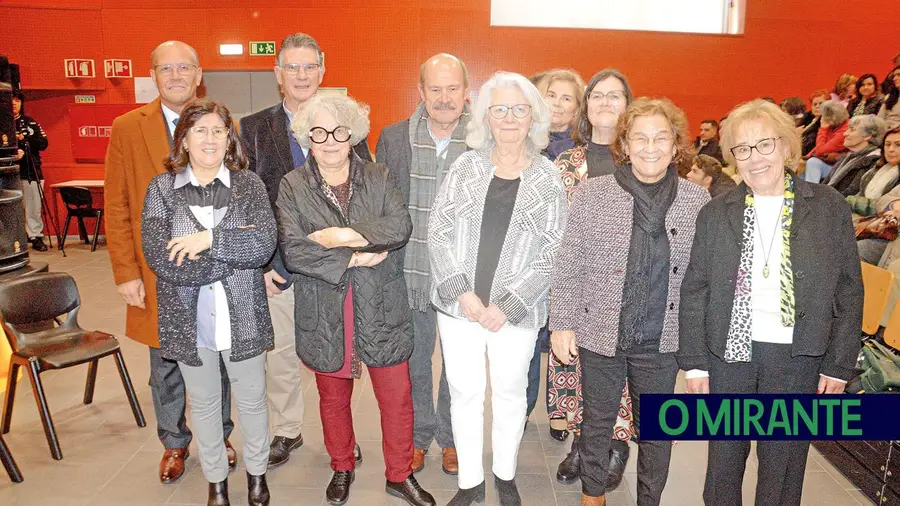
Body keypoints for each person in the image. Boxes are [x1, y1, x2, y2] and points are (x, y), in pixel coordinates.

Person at [678, 98, 863, 506]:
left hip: (798, 358)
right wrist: (695, 363)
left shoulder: (827, 207)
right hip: (730, 356)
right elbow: (695, 289)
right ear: (733, 158)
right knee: (724, 464)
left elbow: (849, 289)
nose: (755, 158)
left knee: (783, 466)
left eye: (765, 145)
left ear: (785, 146)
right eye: (743, 149)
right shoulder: (715, 213)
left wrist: (838, 364)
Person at [276, 93, 434, 506]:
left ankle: (399, 474)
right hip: (325, 305)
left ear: (353, 135)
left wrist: (342, 236)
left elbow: (399, 226)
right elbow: (294, 250)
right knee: (333, 398)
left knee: (396, 397)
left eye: (339, 131)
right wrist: (354, 258)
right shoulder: (293, 185)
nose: (330, 141)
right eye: (319, 132)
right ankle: (342, 465)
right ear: (307, 137)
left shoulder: (379, 176)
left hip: (380, 301)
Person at [550, 97, 708, 506]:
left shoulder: (697, 201)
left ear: (675, 145)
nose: (650, 147)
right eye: (640, 138)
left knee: (657, 434)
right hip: (600, 332)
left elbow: (703, 280)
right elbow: (569, 262)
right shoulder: (593, 194)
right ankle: (593, 496)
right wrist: (562, 323)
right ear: (625, 144)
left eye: (661, 137)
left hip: (662, 341)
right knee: (596, 423)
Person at [428, 71, 565, 506]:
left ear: (533, 117)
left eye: (519, 109)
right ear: (486, 117)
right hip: (460, 308)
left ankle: (505, 474)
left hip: (516, 313)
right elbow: (438, 231)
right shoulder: (465, 166)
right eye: (500, 109)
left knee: (510, 394)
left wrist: (507, 304)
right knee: (464, 394)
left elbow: (553, 250)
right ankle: (470, 481)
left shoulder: (548, 178)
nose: (509, 118)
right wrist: (463, 293)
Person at [105, 40, 237, 485]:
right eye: (166, 68)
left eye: (185, 67)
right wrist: (126, 272)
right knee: (164, 363)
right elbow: (117, 204)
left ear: (199, 74)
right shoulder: (127, 127)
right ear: (153, 75)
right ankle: (174, 443)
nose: (176, 75)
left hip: (213, 266)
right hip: (155, 270)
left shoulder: (221, 124)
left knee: (216, 356)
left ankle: (219, 436)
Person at [239, 32, 372, 469]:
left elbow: (367, 190)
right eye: (292, 67)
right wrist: (260, 263)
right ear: (278, 74)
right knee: (279, 354)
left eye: (309, 66)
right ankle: (287, 429)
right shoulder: (254, 128)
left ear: (322, 71)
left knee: (337, 355)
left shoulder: (347, 120)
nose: (301, 75)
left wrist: (352, 250)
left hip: (335, 267)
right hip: (279, 266)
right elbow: (246, 199)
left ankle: (342, 436)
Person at [141, 100, 276, 506]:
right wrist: (232, 254)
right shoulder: (161, 189)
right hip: (188, 318)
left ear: (229, 139)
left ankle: (257, 475)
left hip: (244, 315)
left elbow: (263, 244)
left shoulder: (249, 184)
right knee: (203, 403)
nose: (210, 139)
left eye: (219, 130)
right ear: (183, 139)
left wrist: (208, 241)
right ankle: (216, 482)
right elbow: (161, 258)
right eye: (200, 130)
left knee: (252, 399)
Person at [375, 53, 470, 476]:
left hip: (464, 277)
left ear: (466, 92)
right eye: (435, 89)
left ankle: (451, 438)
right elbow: (381, 203)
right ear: (421, 92)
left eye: (452, 88)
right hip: (408, 271)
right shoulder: (394, 138)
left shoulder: (483, 140)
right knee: (413, 362)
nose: (444, 97)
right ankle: (418, 437)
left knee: (458, 364)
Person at [551, 68, 638, 488]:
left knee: (617, 371)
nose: (605, 102)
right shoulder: (566, 163)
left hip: (629, 287)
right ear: (586, 106)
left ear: (628, 105)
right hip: (577, 286)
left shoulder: (642, 158)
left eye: (614, 95)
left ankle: (615, 444)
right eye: (597, 95)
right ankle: (582, 441)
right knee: (577, 366)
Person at [11, 90, 49, 251]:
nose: (14, 103)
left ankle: (35, 235)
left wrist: (25, 140)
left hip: (30, 171)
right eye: (11, 100)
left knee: (33, 206)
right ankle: (14, 238)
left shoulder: (30, 122)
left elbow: (43, 143)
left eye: (17, 100)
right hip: (7, 173)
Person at [821, 114, 887, 196]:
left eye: (852, 130)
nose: (845, 133)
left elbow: (850, 195)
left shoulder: (872, 162)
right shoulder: (848, 157)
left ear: (867, 135)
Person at [847, 126, 900, 216]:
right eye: (887, 144)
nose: (891, 149)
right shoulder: (875, 170)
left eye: (898, 145)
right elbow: (860, 196)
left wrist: (850, 201)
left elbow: (882, 204)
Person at [536, 69, 586, 160]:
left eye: (566, 99)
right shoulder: (524, 141)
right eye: (551, 95)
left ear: (577, 109)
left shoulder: (586, 150)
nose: (557, 103)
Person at [803, 99, 850, 182]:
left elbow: (820, 151)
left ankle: (810, 190)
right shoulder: (834, 125)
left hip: (840, 166)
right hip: (829, 162)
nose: (822, 118)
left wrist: (823, 129)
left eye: (824, 116)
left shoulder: (845, 130)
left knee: (813, 162)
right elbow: (818, 149)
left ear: (831, 118)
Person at [799, 90, 828, 156]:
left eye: (821, 104)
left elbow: (810, 145)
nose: (817, 106)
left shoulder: (826, 123)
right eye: (815, 104)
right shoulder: (806, 119)